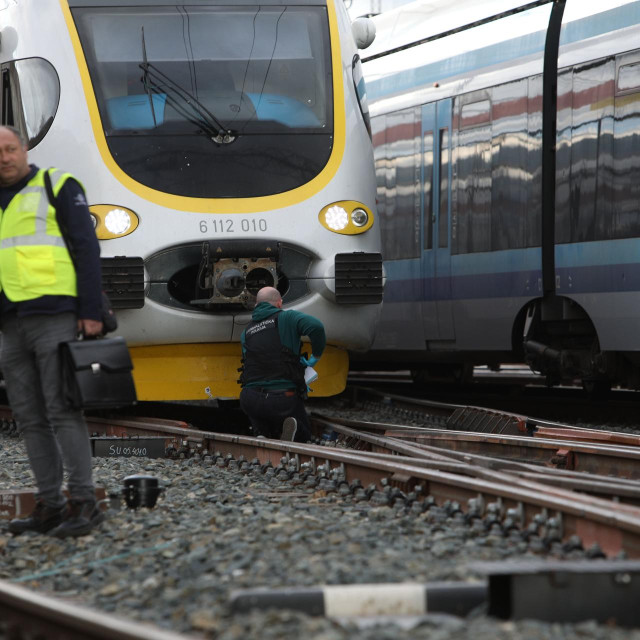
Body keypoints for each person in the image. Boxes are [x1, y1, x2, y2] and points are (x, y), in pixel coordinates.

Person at [0, 125, 105, 538]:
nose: (4, 157)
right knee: (28, 417)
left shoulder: (56, 185)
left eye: (10, 149)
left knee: (63, 410)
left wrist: (91, 311)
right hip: (10, 323)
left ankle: (84, 503)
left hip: (56, 316)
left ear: (24, 149)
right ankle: (50, 504)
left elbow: (87, 248)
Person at [239, 286, 326, 442]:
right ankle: (295, 432)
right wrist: (316, 356)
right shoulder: (288, 317)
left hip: (250, 398)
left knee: (264, 420)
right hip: (282, 396)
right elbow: (316, 326)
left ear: (257, 305)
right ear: (279, 303)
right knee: (304, 434)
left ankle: (262, 432)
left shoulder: (246, 331)